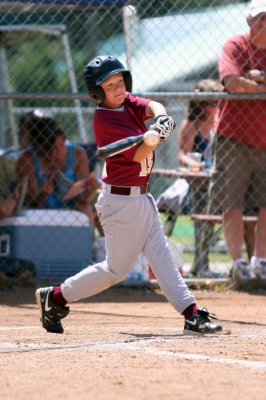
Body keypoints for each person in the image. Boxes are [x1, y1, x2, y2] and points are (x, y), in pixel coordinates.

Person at [35, 55, 222, 335]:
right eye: (109, 86)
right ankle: (56, 297)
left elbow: (152, 106)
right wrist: (153, 138)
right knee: (115, 271)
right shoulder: (105, 121)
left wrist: (160, 120)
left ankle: (191, 313)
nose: (118, 88)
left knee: (161, 258)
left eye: (119, 82)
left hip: (142, 198)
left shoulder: (127, 103)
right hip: (120, 203)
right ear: (98, 93)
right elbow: (140, 154)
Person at [210, 0, 266, 284]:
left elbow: (243, 82)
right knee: (232, 202)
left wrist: (254, 80)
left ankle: (261, 261)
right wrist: (258, 84)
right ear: (249, 21)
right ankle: (237, 264)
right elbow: (231, 81)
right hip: (234, 137)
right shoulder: (236, 45)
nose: (264, 24)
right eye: (260, 19)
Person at [16, 116, 102, 226]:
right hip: (41, 210)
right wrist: (43, 194)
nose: (54, 153)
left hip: (72, 206)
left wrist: (90, 189)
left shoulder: (77, 154)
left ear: (64, 140)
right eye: (47, 148)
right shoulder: (27, 159)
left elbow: (81, 199)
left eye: (59, 146)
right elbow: (31, 204)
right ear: (37, 147)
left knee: (87, 207)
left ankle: (95, 241)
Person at [177, 79, 224, 276]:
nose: (216, 107)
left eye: (218, 102)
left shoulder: (222, 122)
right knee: (204, 203)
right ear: (200, 104)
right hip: (195, 184)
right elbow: (182, 155)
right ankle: (201, 265)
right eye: (211, 103)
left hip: (219, 181)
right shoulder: (191, 125)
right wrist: (196, 164)